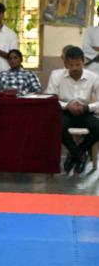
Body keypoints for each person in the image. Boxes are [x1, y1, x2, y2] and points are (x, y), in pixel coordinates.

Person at [46, 46, 99, 176]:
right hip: (65, 112)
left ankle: (76, 154)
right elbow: (51, 98)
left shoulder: (94, 77)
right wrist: (66, 105)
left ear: (84, 61)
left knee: (98, 127)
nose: (75, 68)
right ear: (65, 64)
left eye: (78, 64)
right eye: (71, 65)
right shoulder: (56, 75)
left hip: (84, 112)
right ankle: (80, 157)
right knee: (56, 126)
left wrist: (87, 107)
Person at [83, 5, 99, 75]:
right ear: (98, 13)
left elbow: (95, 48)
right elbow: (86, 48)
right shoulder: (90, 30)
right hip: (92, 67)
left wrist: (96, 48)